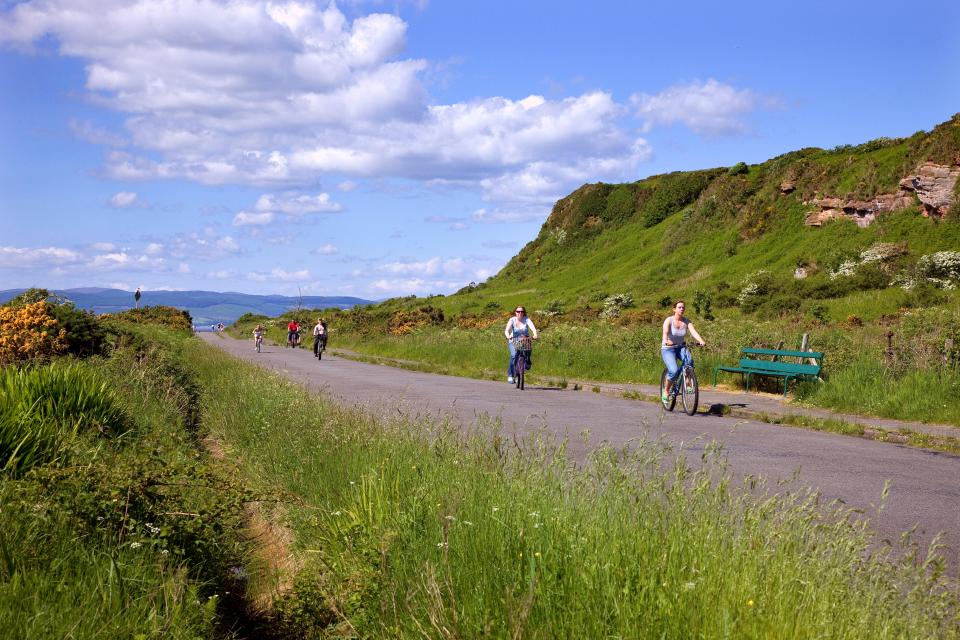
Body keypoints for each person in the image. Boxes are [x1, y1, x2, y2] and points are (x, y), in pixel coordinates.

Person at [660, 300, 705, 401]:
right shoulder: (669, 320)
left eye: (683, 307)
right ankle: (666, 390)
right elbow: (665, 333)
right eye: (679, 307)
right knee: (674, 370)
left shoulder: (686, 321)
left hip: (680, 347)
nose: (681, 309)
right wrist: (666, 341)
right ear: (674, 309)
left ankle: (688, 384)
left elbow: (693, 332)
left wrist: (701, 340)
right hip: (668, 348)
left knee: (689, 362)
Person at [504, 305, 538, 383]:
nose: (520, 313)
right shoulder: (512, 320)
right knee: (513, 355)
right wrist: (508, 336)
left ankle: (528, 361)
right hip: (514, 340)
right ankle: (511, 375)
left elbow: (533, 328)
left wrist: (535, 334)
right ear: (515, 312)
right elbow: (507, 330)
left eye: (521, 311)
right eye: (518, 311)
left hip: (525, 339)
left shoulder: (527, 319)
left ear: (524, 313)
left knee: (528, 350)